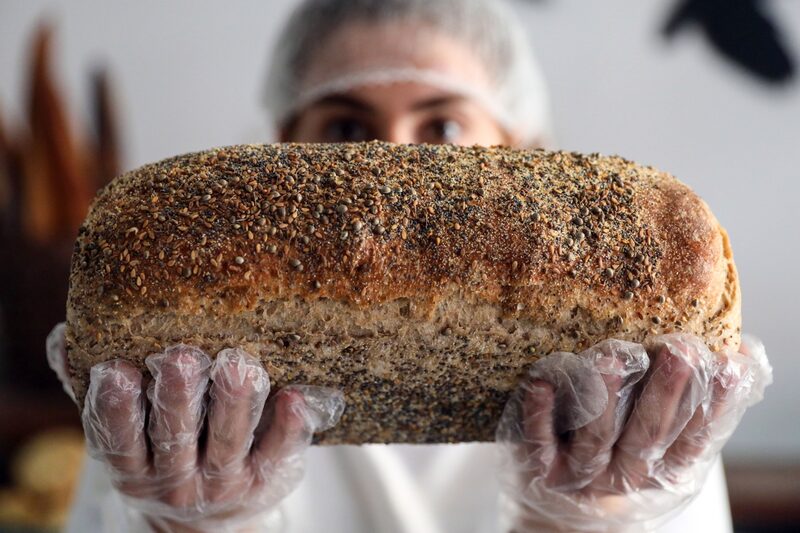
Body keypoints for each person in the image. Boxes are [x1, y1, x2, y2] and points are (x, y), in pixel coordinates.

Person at [52, 0, 772, 531]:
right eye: (344, 127)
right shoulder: (167, 399)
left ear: (525, 154)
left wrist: (593, 515)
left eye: (446, 126)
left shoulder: (644, 406)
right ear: (275, 148)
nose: (392, 160)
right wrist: (189, 522)